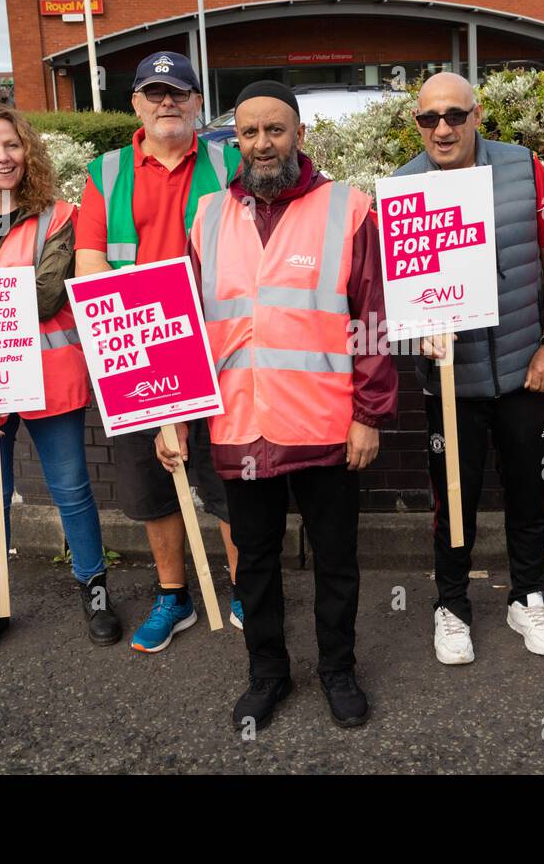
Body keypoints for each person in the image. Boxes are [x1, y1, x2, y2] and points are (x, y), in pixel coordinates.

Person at [160, 80, 397, 730]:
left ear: (299, 135)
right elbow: (187, 327)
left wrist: (368, 414)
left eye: (275, 130)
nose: (262, 143)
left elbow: (371, 319)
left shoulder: (347, 209)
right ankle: (267, 674)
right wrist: (174, 416)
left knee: (336, 560)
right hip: (240, 425)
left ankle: (338, 670)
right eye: (249, 132)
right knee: (256, 565)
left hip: (326, 426)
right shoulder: (207, 218)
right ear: (234, 141)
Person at [393, 72, 544, 666]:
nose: (442, 129)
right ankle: (452, 606)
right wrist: (417, 329)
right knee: (453, 500)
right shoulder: (401, 188)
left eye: (454, 115)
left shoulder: (523, 166)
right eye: (428, 119)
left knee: (527, 492)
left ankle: (528, 596)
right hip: (453, 379)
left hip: (525, 368)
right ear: (417, 124)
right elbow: (395, 292)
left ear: (476, 115)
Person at [0, 104, 119, 659]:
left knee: (72, 491)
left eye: (10, 145)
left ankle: (95, 587)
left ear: (26, 150)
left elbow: (46, 295)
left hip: (48, 378)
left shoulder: (59, 215)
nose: (1, 157)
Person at [75, 52, 245, 650]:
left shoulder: (233, 163)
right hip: (140, 352)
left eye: (178, 92)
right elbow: (91, 263)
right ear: (136, 104)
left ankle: (244, 588)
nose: (166, 101)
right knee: (153, 482)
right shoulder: (108, 171)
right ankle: (174, 597)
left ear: (199, 102)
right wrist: (148, 328)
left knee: (229, 478)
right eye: (154, 92)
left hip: (223, 349)